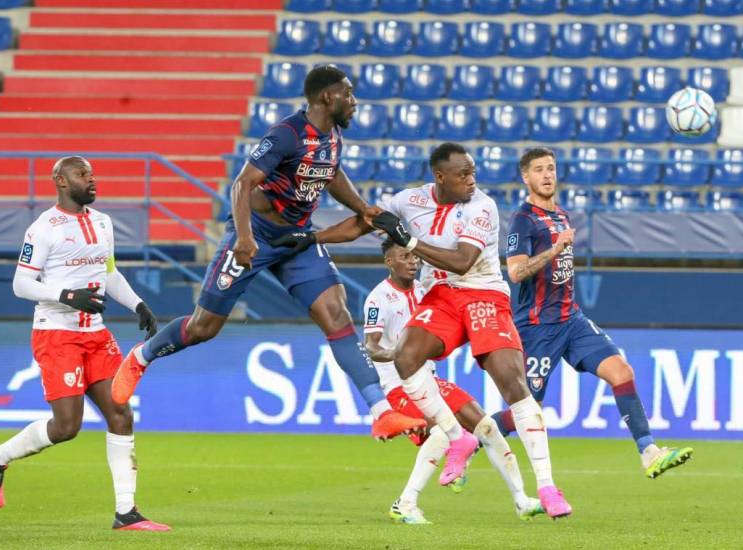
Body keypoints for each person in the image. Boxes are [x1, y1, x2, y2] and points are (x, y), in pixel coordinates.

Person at [110, 66, 425, 441]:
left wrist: (360, 206)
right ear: (327, 97)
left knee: (337, 314)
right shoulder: (286, 134)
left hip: (297, 240)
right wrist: (243, 238)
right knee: (203, 327)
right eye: (348, 94)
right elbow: (243, 183)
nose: (354, 102)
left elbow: (330, 172)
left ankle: (380, 411)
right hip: (256, 234)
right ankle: (141, 357)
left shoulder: (333, 135)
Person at [279, 143, 572, 519]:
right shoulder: (410, 200)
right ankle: (456, 438)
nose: (472, 180)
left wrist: (409, 240)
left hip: (483, 293)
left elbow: (464, 262)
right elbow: (365, 222)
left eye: (473, 172)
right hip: (443, 296)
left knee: (513, 383)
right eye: (463, 175)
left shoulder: (482, 206)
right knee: (406, 356)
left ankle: (546, 487)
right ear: (440, 177)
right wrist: (311, 238)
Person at [0, 156, 169, 531]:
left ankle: (126, 512)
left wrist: (138, 303)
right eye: (82, 175)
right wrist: (67, 295)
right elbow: (21, 284)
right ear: (60, 181)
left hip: (96, 334)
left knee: (120, 414)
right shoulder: (43, 228)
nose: (91, 180)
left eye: (92, 174)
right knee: (67, 427)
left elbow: (108, 272)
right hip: (57, 334)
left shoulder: (102, 222)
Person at [492, 147, 693, 479]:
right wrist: (555, 249)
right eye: (539, 169)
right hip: (538, 327)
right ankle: (472, 437)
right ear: (526, 177)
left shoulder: (561, 215)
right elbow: (515, 273)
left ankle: (649, 452)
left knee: (622, 372)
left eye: (551, 168)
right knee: (528, 413)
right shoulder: (522, 219)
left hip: (572, 320)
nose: (547, 175)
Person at [363, 239, 542, 524]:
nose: (413, 261)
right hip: (399, 386)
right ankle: (405, 503)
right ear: (389, 262)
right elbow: (370, 346)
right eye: (404, 256)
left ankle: (521, 499)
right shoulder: (378, 297)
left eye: (414, 257)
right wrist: (397, 354)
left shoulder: (428, 292)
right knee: (441, 434)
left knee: (488, 427)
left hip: (431, 381)